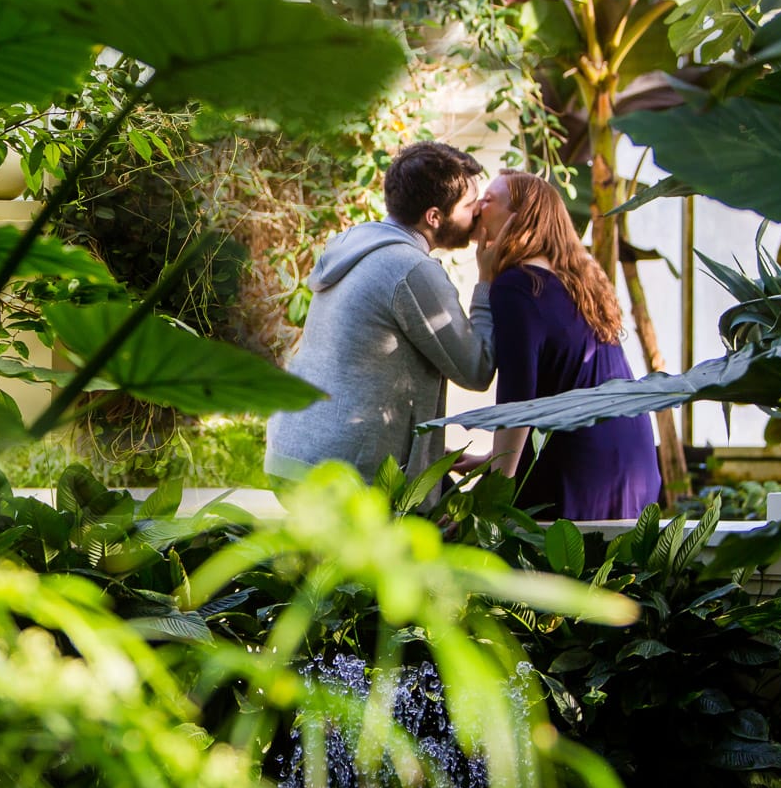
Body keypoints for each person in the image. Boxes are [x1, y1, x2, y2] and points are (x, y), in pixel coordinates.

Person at [265, 142, 498, 482]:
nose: (476, 213)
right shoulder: (410, 269)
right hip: (337, 474)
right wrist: (487, 279)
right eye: (469, 206)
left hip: (292, 453)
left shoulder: (355, 245)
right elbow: (476, 369)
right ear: (434, 216)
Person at [471, 169, 660, 520]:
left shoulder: (518, 285)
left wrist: (491, 497)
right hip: (633, 463)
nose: (477, 206)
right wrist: (492, 460)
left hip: (581, 469)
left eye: (488, 199)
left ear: (518, 218)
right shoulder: (576, 280)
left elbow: (518, 400)